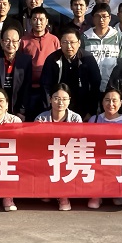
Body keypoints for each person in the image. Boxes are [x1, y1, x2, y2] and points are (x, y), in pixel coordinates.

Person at [35, 83, 82, 211]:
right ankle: (49, 190)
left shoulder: (76, 118)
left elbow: (79, 141)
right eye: (56, 98)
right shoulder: (41, 118)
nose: (60, 102)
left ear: (69, 100)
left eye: (64, 99)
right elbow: (35, 144)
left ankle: (63, 195)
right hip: (48, 155)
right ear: (50, 99)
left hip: (68, 155)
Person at [41, 27, 101, 122]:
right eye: (65, 42)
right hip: (58, 107)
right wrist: (50, 110)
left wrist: (91, 111)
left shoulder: (88, 59)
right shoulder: (52, 59)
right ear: (60, 43)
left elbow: (95, 85)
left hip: (82, 105)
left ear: (79, 43)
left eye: (72, 42)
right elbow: (45, 86)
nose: (69, 46)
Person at [87, 89, 122, 210]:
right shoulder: (94, 120)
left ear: (121, 102)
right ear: (102, 102)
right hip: (96, 159)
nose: (110, 104)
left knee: (120, 201)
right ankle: (96, 195)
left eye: (114, 100)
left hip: (116, 161)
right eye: (107, 100)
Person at [0, 27, 32, 120]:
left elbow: (26, 88)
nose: (11, 44)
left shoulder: (26, 60)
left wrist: (22, 111)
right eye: (7, 40)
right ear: (1, 42)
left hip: (16, 107)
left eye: (14, 41)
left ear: (19, 42)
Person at [21, 7, 61, 117]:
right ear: (30, 21)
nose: (38, 22)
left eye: (41, 19)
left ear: (46, 21)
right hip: (30, 88)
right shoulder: (23, 40)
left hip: (49, 88)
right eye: (35, 19)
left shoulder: (54, 40)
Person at [83, 3, 122, 95]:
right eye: (98, 16)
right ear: (93, 18)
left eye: (104, 16)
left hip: (112, 87)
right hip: (90, 87)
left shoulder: (117, 37)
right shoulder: (85, 37)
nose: (101, 20)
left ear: (109, 18)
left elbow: (121, 62)